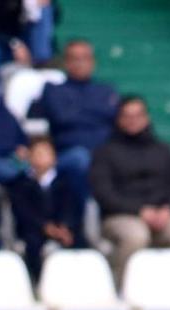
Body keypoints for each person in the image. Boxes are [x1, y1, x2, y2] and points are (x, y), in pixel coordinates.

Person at [89, 95, 170, 276]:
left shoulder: (164, 150)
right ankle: (121, 286)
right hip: (120, 216)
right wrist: (140, 211)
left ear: (146, 118)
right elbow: (104, 193)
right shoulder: (105, 152)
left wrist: (168, 209)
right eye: (127, 115)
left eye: (138, 115)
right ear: (119, 119)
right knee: (135, 236)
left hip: (162, 216)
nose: (133, 120)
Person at [28, 39, 119, 202]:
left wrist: (77, 112)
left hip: (104, 154)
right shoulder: (53, 90)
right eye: (74, 59)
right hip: (66, 155)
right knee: (80, 158)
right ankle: (80, 218)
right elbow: (61, 118)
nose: (80, 63)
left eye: (85, 58)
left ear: (93, 62)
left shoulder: (106, 89)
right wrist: (97, 113)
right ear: (65, 62)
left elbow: (115, 119)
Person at [7, 136, 85, 280]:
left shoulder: (67, 182)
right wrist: (44, 227)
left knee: (79, 243)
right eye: (37, 153)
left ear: (54, 157)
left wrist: (65, 226)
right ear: (29, 157)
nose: (41, 157)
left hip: (63, 229)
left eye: (45, 153)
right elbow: (22, 212)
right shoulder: (20, 184)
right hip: (33, 230)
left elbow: (74, 208)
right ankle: (38, 282)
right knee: (33, 244)